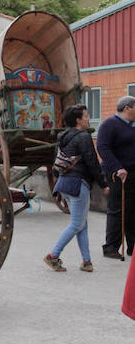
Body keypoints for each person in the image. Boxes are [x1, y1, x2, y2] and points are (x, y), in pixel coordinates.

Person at [44, 105, 109, 272]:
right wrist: (103, 184)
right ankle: (53, 255)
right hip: (78, 184)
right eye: (86, 116)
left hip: (64, 184)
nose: (88, 118)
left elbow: (57, 162)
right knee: (76, 224)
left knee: (82, 224)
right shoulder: (84, 137)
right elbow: (92, 162)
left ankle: (86, 262)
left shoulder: (62, 137)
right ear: (79, 120)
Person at [96, 95, 135, 260]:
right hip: (118, 174)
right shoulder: (110, 124)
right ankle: (111, 247)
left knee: (133, 211)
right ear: (127, 108)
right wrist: (118, 167)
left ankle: (132, 247)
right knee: (117, 210)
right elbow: (103, 148)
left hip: (133, 173)